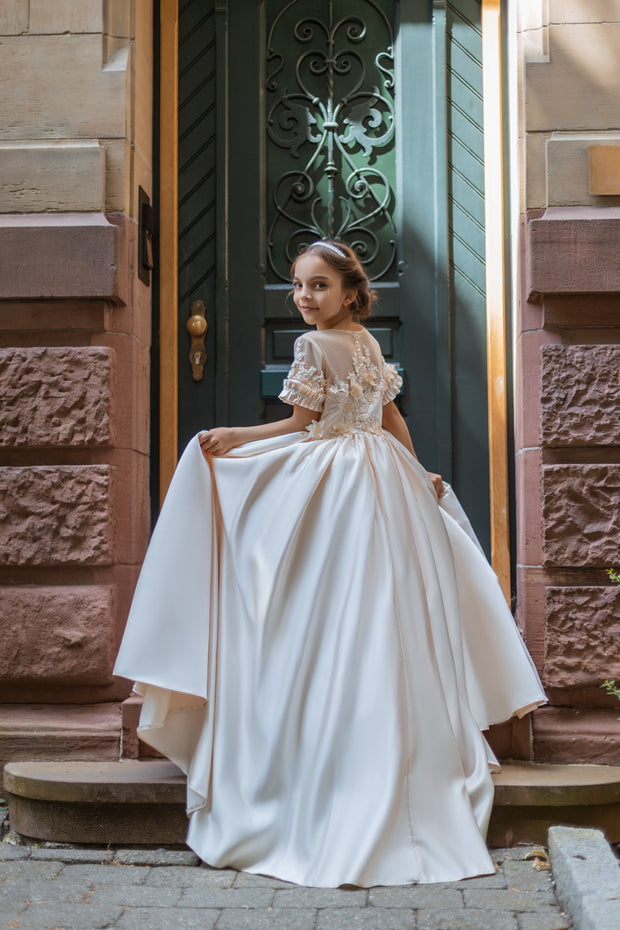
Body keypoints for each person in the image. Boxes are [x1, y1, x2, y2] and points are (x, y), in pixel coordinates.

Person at [114, 240, 546, 888]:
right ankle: (398, 759)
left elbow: (301, 424)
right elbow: (388, 420)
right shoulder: (367, 343)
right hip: (380, 475)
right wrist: (412, 464)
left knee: (329, 602)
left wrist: (237, 437)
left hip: (347, 478)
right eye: (297, 286)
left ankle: (333, 759)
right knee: (381, 610)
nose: (304, 298)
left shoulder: (316, 348)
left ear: (349, 291)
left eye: (318, 286)